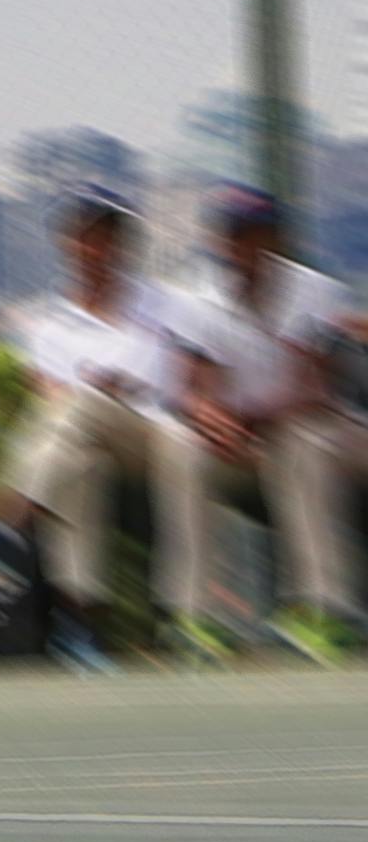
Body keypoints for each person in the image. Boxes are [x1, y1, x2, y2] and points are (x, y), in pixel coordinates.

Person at [145, 185, 359, 659]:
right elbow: (193, 386)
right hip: (237, 446)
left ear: (277, 239)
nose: (245, 245)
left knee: (306, 444)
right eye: (235, 234)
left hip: (309, 432)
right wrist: (211, 419)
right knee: (181, 450)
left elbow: (315, 389)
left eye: (257, 233)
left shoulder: (315, 290)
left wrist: (247, 416)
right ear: (219, 240)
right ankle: (193, 615)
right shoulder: (194, 296)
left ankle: (324, 609)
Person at [0, 189, 174, 643]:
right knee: (77, 462)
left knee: (82, 405)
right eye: (81, 238)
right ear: (66, 245)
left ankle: (1, 519)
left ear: (123, 246)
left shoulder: (166, 306)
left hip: (160, 444)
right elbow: (47, 403)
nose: (91, 250)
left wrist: (112, 390)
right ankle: (84, 612)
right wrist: (92, 392)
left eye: (102, 239)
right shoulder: (48, 324)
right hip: (87, 451)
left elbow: (179, 384)